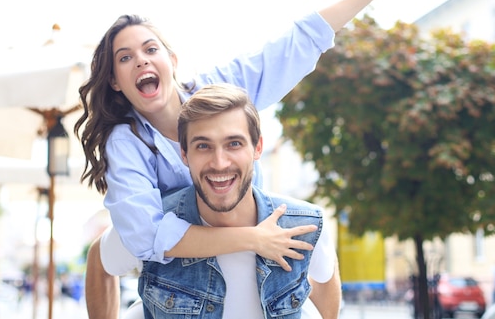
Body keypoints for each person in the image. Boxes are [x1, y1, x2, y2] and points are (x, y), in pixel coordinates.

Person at [76, 0, 425, 319]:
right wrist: (253, 238)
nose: (140, 59)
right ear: (116, 82)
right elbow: (142, 237)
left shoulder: (221, 92)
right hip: (181, 271)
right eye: (125, 58)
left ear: (171, 61)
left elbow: (298, 44)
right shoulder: (126, 142)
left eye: (149, 48)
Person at [134, 83, 341, 319]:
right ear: (184, 153)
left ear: (257, 147)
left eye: (234, 143)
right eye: (203, 146)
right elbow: (101, 260)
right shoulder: (152, 222)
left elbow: (326, 280)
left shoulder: (303, 225)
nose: (220, 163)